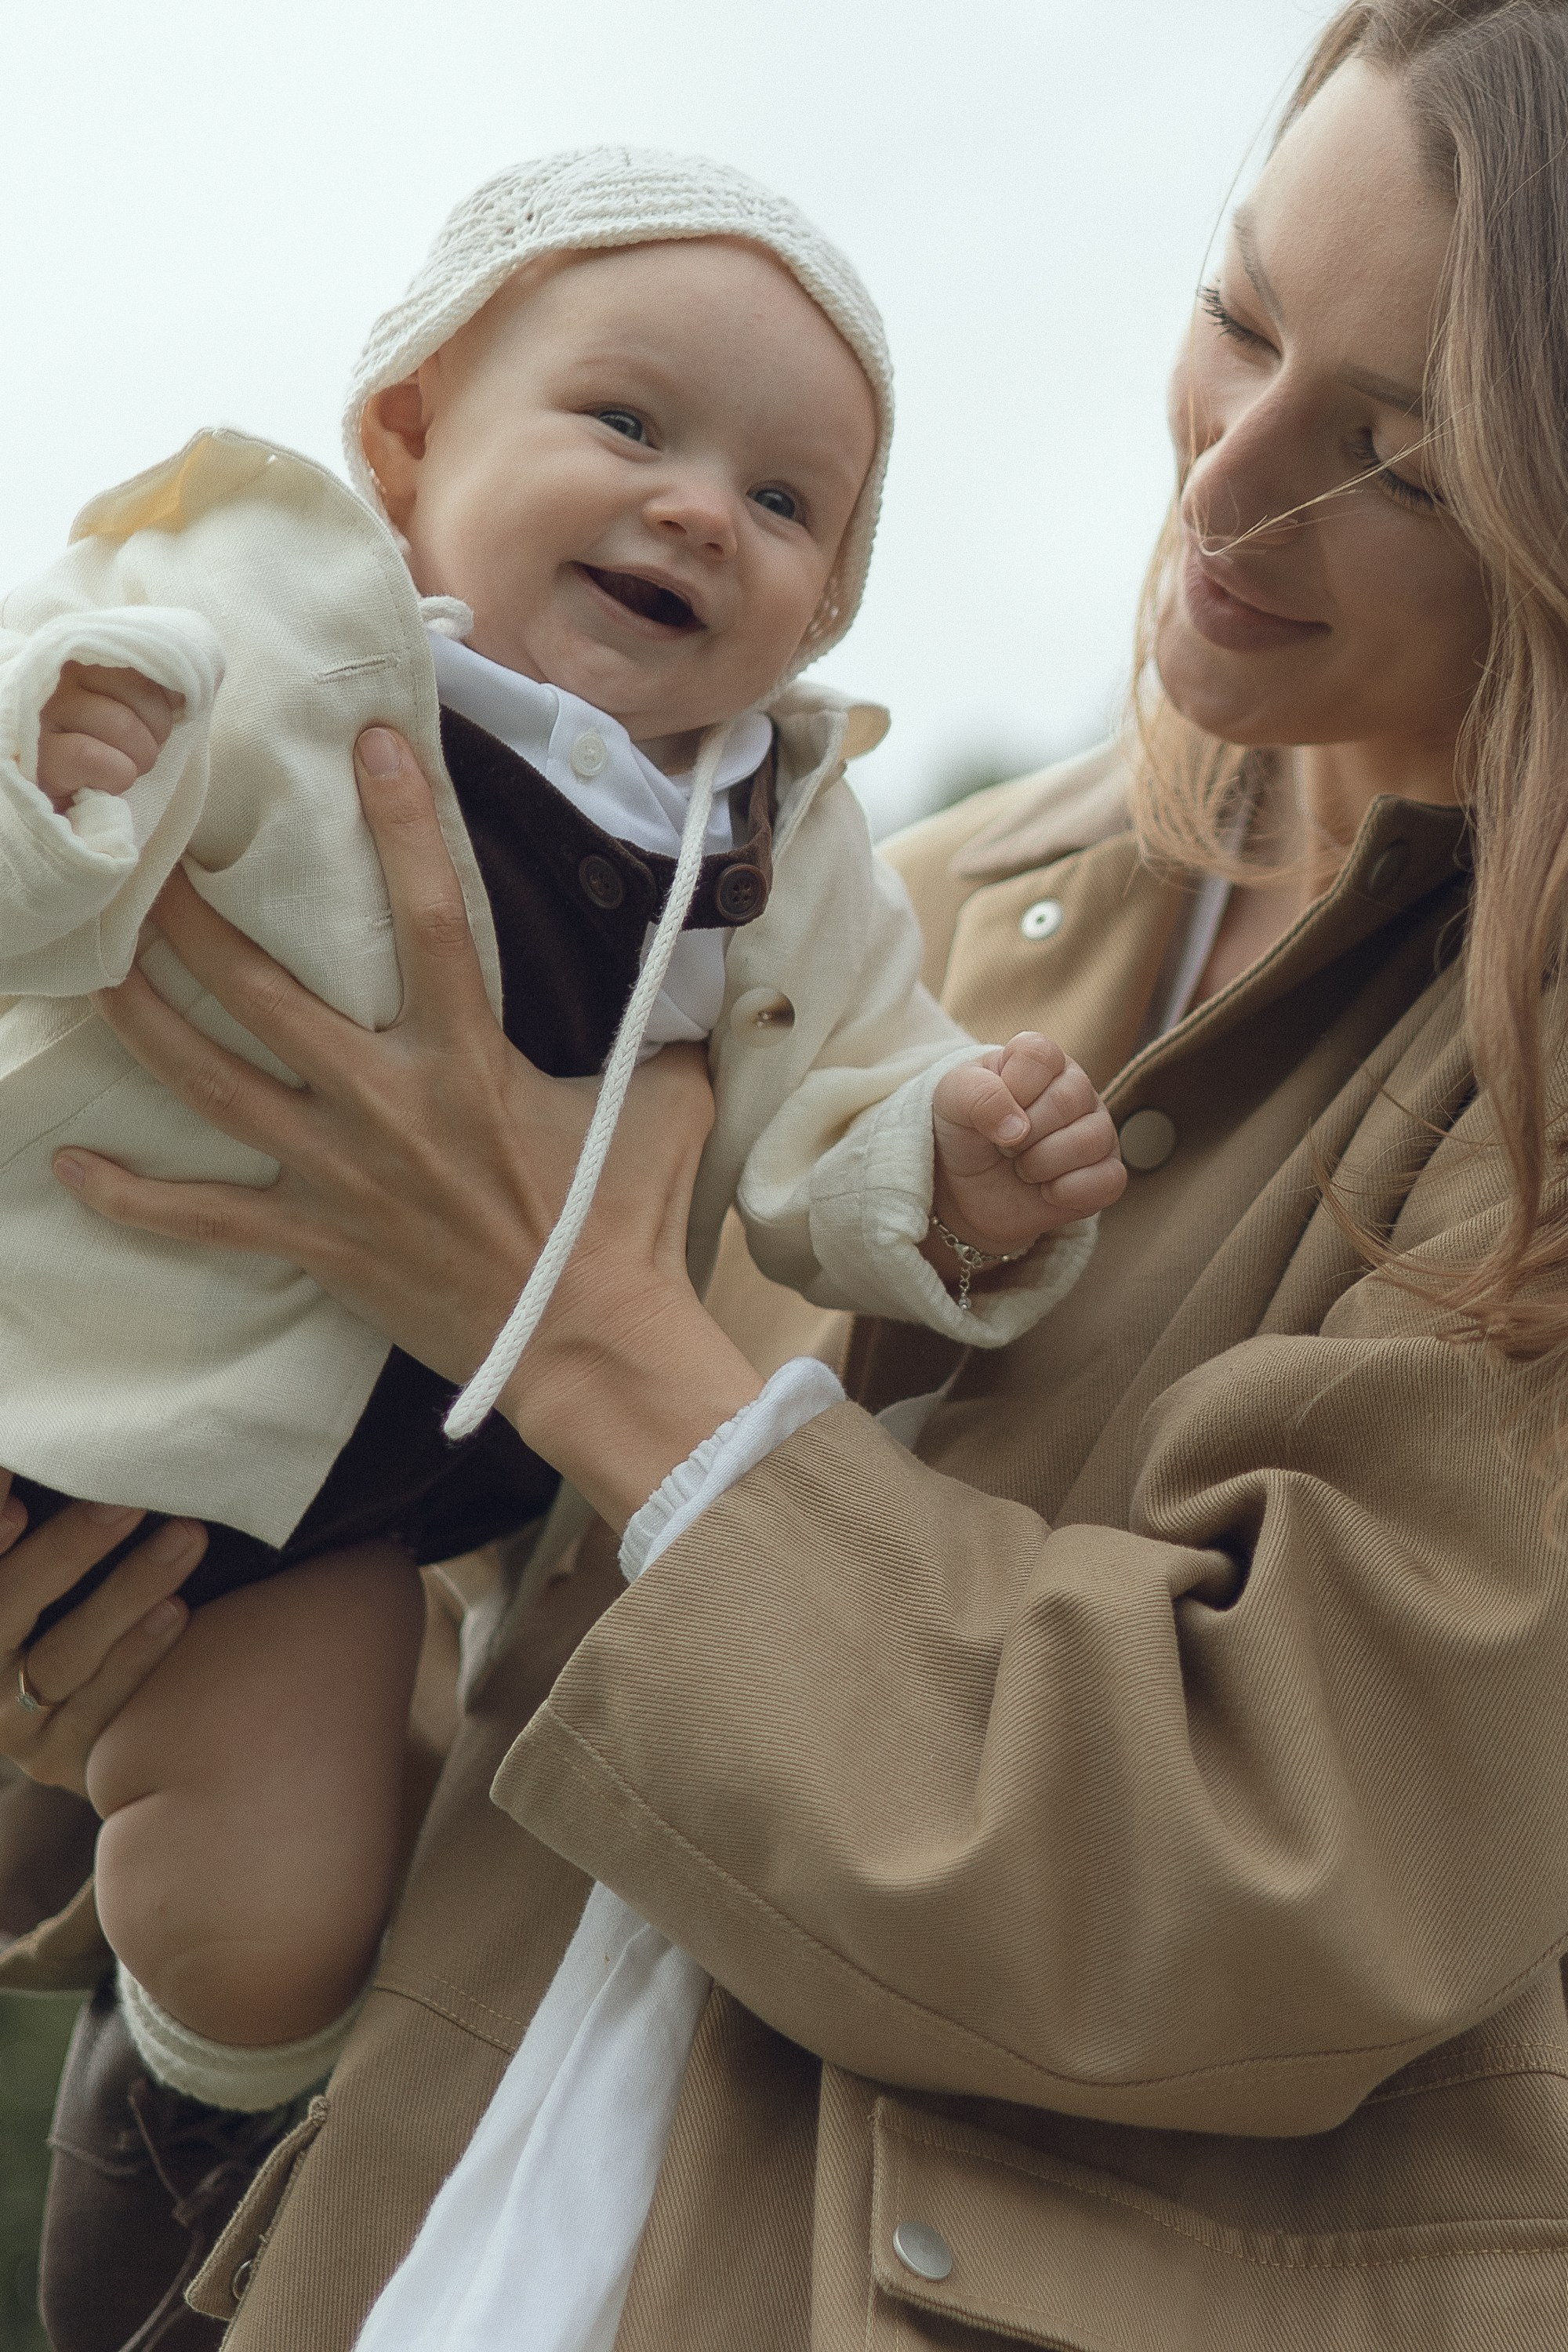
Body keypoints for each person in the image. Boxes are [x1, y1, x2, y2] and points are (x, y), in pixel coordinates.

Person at [10, 0, 1568, 2343]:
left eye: (1406, 455)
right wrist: (85, 1668)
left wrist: (577, 1308)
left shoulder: (1503, 1100)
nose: (1231, 487)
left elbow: (1251, 1874)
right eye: (1235, 318)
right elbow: (441, 1599)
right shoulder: (908, 902)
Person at [0, 151, 1122, 2125]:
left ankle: (176, 2129)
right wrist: (49, 769)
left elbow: (839, 1089)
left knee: (281, 1915)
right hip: (46, 1325)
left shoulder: (770, 841)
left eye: (787, 506)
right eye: (627, 422)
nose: (701, 506)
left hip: (308, 1527)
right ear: (409, 436)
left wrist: (943, 1172)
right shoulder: (248, 617)